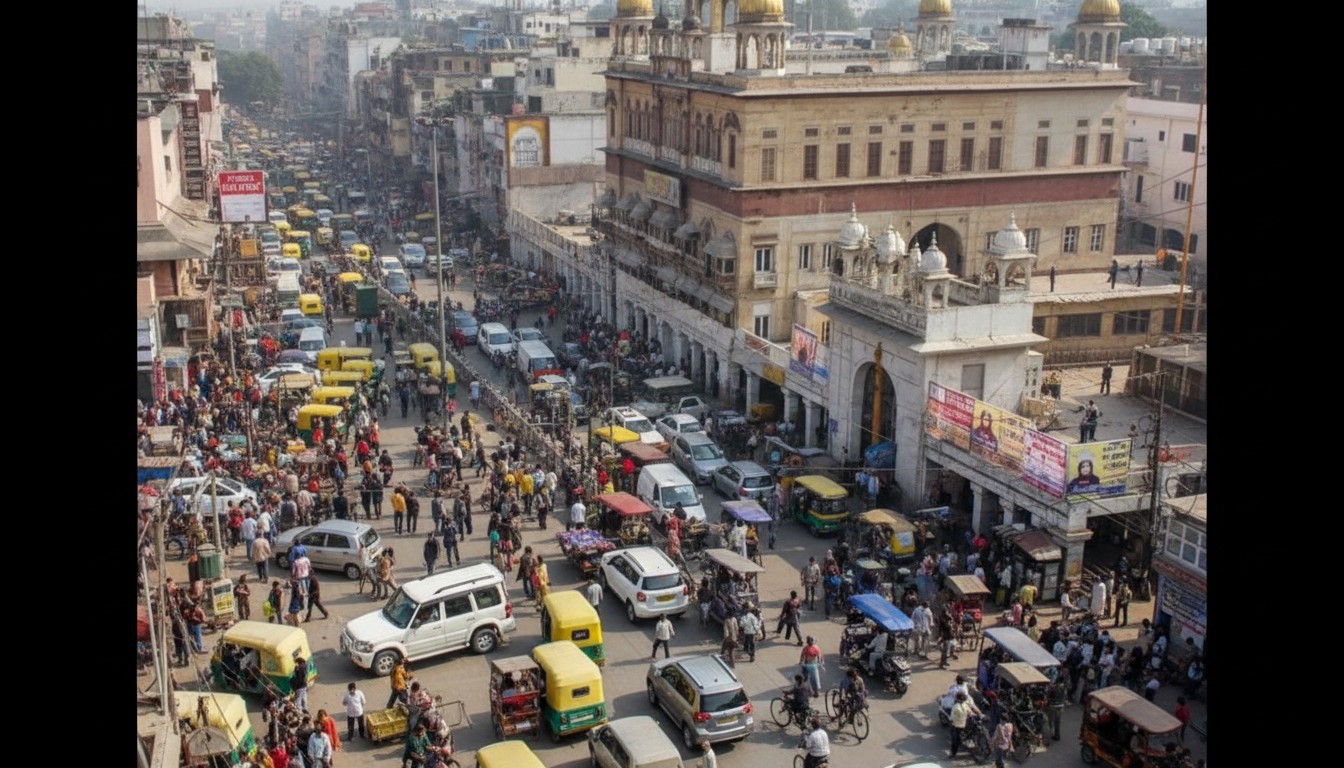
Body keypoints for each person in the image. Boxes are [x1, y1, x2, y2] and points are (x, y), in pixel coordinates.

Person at [948, 691, 979, 759]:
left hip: (956, 726)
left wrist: (951, 722)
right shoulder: (965, 705)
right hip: (964, 724)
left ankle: (953, 754)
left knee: (955, 740)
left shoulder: (955, 706)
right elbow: (970, 712)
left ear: (957, 698)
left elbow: (951, 717)